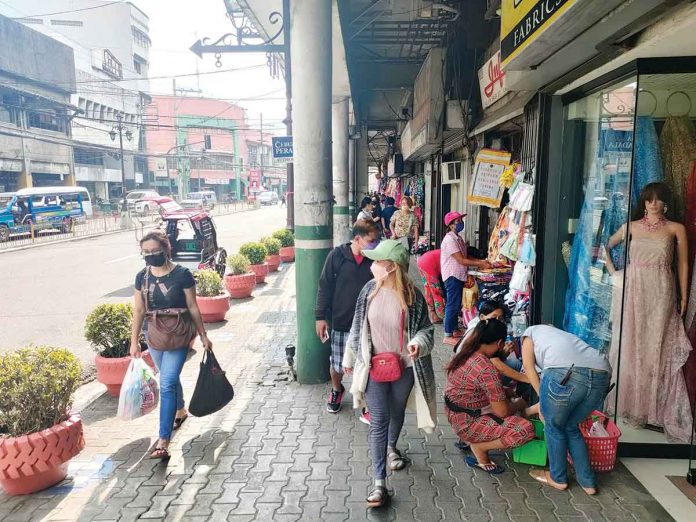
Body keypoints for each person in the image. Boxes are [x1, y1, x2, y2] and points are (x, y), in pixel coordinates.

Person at [343, 239, 436, 508]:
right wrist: (351, 358)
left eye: (378, 262)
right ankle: (379, 483)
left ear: (392, 267)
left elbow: (427, 330)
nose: (372, 266)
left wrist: (418, 342)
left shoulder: (412, 296)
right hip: (373, 368)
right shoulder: (368, 291)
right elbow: (357, 326)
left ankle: (392, 448)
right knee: (379, 419)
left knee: (396, 413)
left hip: (405, 367)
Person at [605, 182, 693, 442]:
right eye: (648, 199)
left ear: (665, 202)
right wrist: (615, 275)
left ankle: (654, 409)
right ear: (643, 202)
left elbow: (684, 262)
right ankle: (633, 404)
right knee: (633, 343)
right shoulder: (631, 227)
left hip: (662, 289)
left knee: (658, 345)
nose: (653, 204)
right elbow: (605, 246)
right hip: (634, 289)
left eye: (658, 199)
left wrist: (684, 295)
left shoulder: (676, 229)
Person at [130, 230, 212, 459]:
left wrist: (203, 335)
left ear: (166, 250)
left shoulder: (182, 275)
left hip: (178, 336)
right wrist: (134, 341)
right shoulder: (141, 277)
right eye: (145, 252)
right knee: (170, 378)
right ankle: (180, 409)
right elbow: (138, 310)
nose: (150, 256)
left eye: (155, 251)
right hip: (154, 336)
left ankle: (163, 440)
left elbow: (193, 307)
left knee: (166, 383)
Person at [521, 324, 611, 495]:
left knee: (553, 426)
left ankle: (558, 478)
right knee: (571, 427)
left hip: (566, 371)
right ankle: (588, 483)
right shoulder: (563, 335)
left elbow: (528, 366)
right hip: (603, 374)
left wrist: (544, 398)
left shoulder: (529, 333)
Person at [444, 319, 535, 474]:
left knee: (505, 393)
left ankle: (473, 439)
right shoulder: (487, 368)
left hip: (456, 414)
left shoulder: (466, 353)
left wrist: (504, 390)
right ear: (499, 343)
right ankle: (479, 447)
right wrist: (520, 404)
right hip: (467, 423)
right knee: (525, 430)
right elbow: (503, 412)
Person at [316, 220, 380, 418]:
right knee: (337, 364)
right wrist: (320, 317)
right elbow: (324, 287)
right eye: (371, 241)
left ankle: (367, 402)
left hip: (368, 324)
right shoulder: (337, 256)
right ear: (358, 239)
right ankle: (337, 390)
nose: (374, 244)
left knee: (368, 364)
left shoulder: (374, 260)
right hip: (342, 322)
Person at [441, 211, 491, 345]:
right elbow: (461, 260)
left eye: (460, 221)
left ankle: (455, 329)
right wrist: (480, 263)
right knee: (452, 304)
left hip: (459, 275)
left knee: (457, 303)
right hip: (452, 275)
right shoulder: (449, 240)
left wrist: (482, 262)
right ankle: (447, 334)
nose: (461, 223)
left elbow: (466, 257)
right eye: (458, 221)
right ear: (451, 225)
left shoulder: (458, 238)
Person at [458, 300, 529, 385]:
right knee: (516, 365)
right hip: (470, 376)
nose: (497, 321)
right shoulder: (480, 331)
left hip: (469, 372)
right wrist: (529, 379)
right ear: (482, 317)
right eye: (494, 317)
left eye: (500, 318)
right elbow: (494, 362)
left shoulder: (482, 325)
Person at [416, 249, 445, 323]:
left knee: (428, 289)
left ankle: (433, 315)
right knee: (436, 291)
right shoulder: (457, 254)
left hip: (422, 261)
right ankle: (444, 315)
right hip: (429, 263)